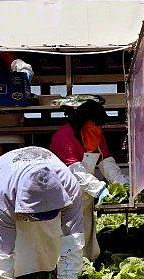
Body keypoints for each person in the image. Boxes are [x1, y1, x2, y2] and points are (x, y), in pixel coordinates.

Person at [0, 146, 84, 279]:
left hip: (40, 157)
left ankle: (54, 271)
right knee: (15, 238)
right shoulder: (3, 196)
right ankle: (17, 278)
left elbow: (73, 236)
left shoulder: (70, 187)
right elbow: (1, 248)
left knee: (50, 232)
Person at [50, 95, 128, 260]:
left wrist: (123, 184)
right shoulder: (63, 137)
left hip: (85, 197)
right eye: (95, 124)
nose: (98, 129)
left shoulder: (96, 134)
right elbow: (74, 171)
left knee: (85, 235)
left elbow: (106, 162)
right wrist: (99, 189)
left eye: (100, 126)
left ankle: (85, 265)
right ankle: (62, 270)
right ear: (83, 123)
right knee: (65, 237)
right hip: (63, 198)